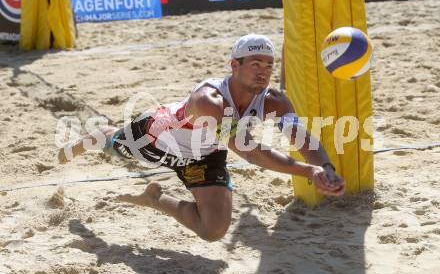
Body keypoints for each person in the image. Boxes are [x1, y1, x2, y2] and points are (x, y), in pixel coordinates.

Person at [58, 34, 345, 242]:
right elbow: (248, 152)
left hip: (204, 155)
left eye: (269, 65)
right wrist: (308, 171)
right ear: (234, 66)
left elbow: (303, 140)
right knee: (113, 148)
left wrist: (327, 168)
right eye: (255, 63)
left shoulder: (275, 101)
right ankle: (97, 136)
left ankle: (155, 198)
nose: (264, 72)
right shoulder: (209, 100)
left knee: (213, 231)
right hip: (159, 140)